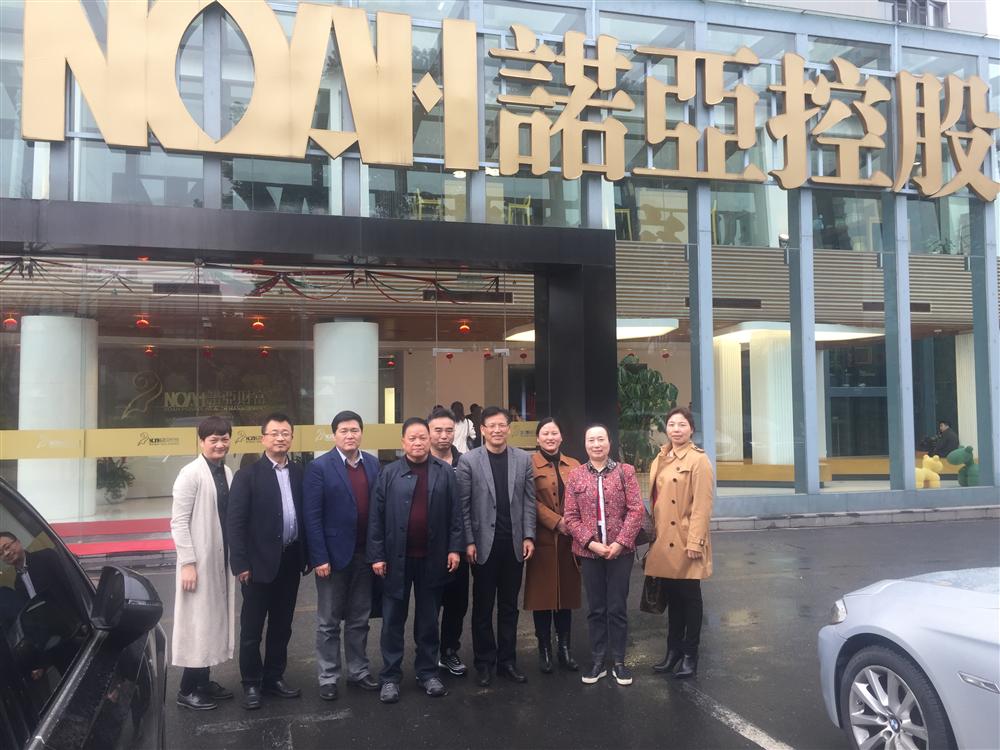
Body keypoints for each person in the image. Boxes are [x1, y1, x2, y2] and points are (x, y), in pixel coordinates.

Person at [368, 418, 465, 704]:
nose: (418, 442)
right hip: (395, 559)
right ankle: (390, 677)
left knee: (428, 620)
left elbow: (456, 515)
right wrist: (377, 555)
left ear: (429, 439)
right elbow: (376, 517)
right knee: (392, 620)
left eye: (422, 437)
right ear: (403, 442)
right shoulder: (389, 473)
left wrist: (454, 549)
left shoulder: (444, 472)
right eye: (412, 438)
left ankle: (428, 672)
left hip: (433, 557)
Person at [228, 412, 308, 710]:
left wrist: (307, 555)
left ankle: (274, 677)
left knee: (282, 626)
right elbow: (235, 523)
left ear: (291, 438)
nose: (280, 438)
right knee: (252, 629)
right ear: (263, 438)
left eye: (285, 433)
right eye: (274, 433)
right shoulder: (247, 475)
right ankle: (251, 683)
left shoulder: (299, 472)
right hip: (257, 564)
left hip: (290, 560)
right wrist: (240, 564)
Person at [302, 410, 381, 701]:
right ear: (334, 434)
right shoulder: (319, 467)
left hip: (364, 555)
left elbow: (379, 511)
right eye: (344, 431)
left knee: (360, 618)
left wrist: (378, 552)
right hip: (332, 558)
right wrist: (319, 557)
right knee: (328, 621)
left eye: (354, 430)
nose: (350, 435)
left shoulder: (373, 464)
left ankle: (359, 671)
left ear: (362, 433)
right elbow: (312, 517)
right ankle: (328, 676)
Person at [456, 406, 536, 687]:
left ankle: (507, 662)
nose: (498, 430)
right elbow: (463, 506)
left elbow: (529, 501)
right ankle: (484, 662)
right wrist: (468, 541)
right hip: (482, 546)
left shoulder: (523, 459)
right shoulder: (469, 461)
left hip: (513, 544)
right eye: (492, 425)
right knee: (482, 607)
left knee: (509, 607)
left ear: (508, 428)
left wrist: (528, 536)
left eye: (502, 425)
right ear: (483, 430)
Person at [563, 424, 643, 687]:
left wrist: (620, 542)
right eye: (591, 440)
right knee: (596, 609)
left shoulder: (625, 472)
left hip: (621, 552)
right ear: (585, 444)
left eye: (601, 439)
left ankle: (619, 661)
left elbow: (636, 510)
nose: (596, 444)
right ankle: (598, 660)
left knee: (617, 608)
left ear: (609, 442)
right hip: (590, 553)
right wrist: (591, 544)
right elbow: (570, 517)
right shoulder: (576, 475)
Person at [170, 415, 236, 711]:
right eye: (214, 439)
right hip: (197, 561)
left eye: (224, 439)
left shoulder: (227, 472)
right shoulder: (190, 473)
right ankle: (186, 689)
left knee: (212, 619)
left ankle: (203, 681)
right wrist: (187, 562)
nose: (220, 444)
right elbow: (178, 521)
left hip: (220, 557)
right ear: (201, 442)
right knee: (197, 622)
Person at [645, 407, 714, 679]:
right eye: (672, 424)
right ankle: (672, 651)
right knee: (672, 597)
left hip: (686, 539)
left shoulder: (699, 460)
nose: (676, 429)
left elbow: (702, 506)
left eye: (682, 424)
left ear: (691, 429)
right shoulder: (661, 457)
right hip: (664, 539)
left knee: (690, 597)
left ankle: (690, 654)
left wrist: (696, 541)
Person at [523, 418, 581, 674]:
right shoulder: (528, 464)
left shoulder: (574, 465)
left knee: (566, 596)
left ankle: (564, 649)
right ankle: (544, 648)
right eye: (545, 433)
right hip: (542, 538)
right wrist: (556, 521)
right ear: (537, 438)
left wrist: (573, 523)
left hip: (570, 539)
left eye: (554, 433)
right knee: (542, 597)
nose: (550, 437)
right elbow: (527, 499)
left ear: (561, 437)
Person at [428, 407, 469, 677]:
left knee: (457, 603)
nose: (444, 436)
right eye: (438, 430)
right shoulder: (419, 462)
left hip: (459, 546)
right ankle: (428, 654)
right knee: (430, 605)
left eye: (449, 430)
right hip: (428, 547)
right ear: (429, 432)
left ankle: (449, 650)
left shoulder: (465, 462)